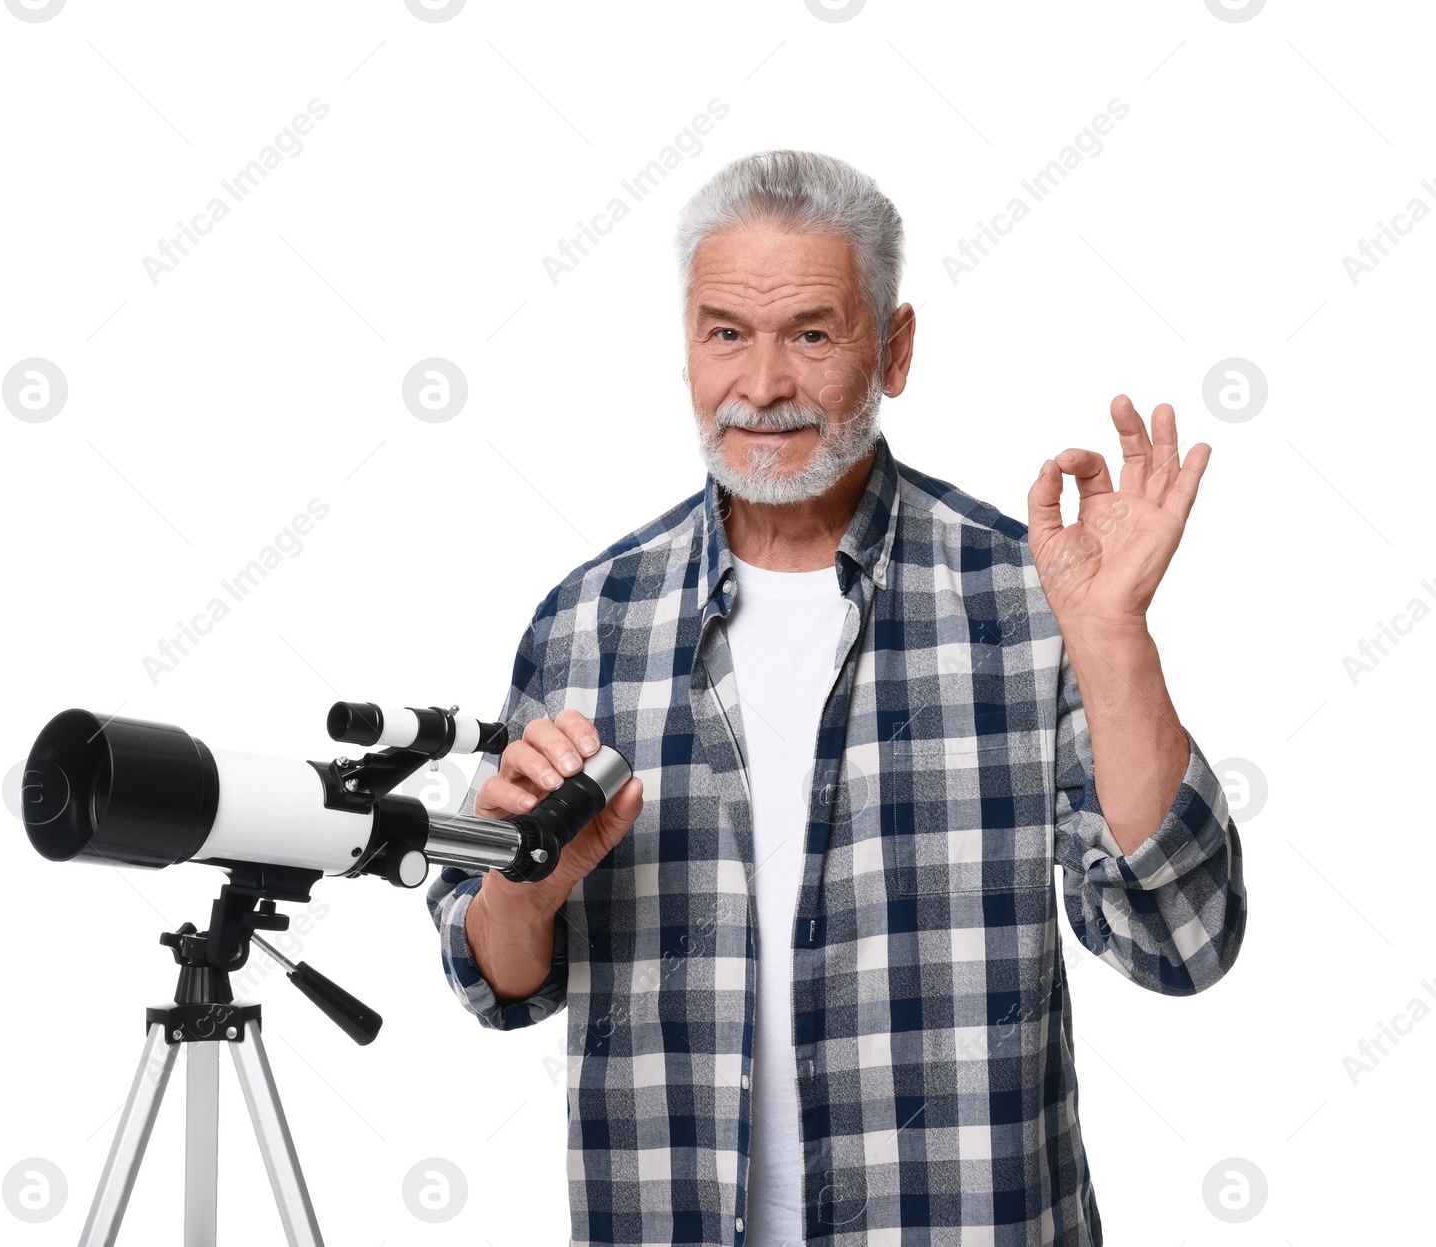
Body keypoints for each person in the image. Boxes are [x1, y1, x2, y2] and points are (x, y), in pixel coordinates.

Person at [426, 149, 1246, 1246]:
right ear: (685, 344)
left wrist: (1109, 638)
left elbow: (1180, 941)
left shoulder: (1027, 599)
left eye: (811, 333)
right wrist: (527, 888)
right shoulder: (589, 625)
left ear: (893, 348)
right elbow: (499, 986)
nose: (761, 386)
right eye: (726, 332)